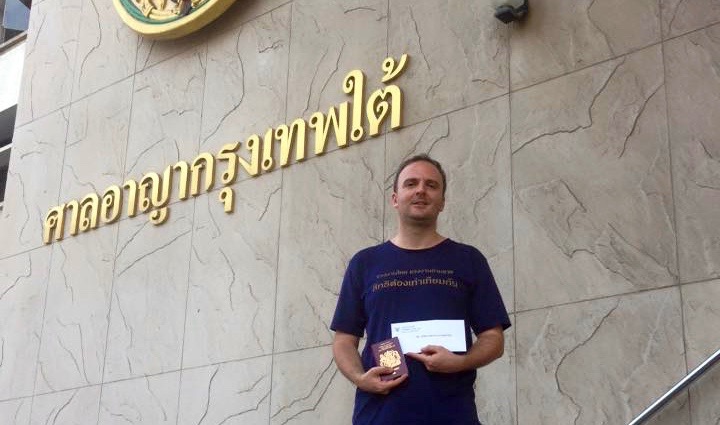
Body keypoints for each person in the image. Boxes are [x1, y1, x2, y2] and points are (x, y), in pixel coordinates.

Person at [330, 154, 511, 425]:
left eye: (431, 185)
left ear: (442, 202)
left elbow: (493, 338)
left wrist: (460, 362)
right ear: (395, 199)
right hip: (379, 415)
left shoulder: (468, 259)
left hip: (452, 414)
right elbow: (344, 340)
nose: (421, 190)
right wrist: (360, 378)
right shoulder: (365, 263)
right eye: (411, 183)